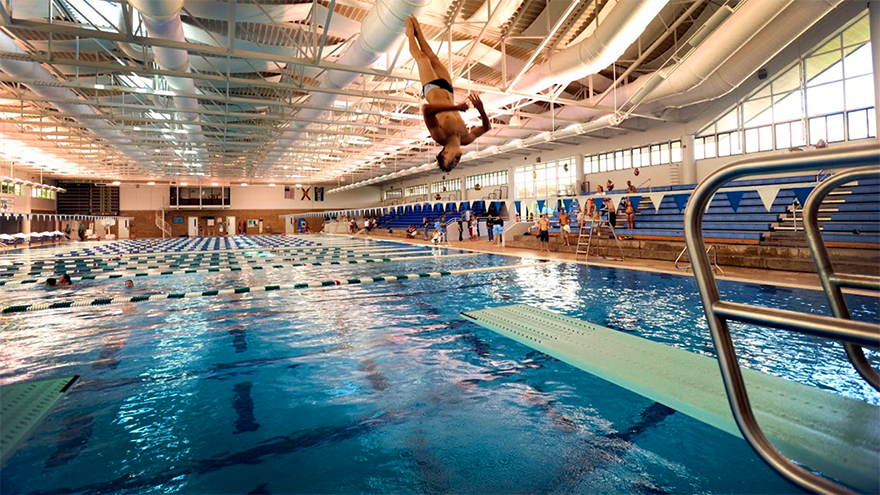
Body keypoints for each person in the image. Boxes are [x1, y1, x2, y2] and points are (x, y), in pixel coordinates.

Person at [406, 15, 490, 172]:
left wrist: (457, 108)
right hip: (448, 90)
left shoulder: (440, 137)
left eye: (451, 162)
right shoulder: (466, 138)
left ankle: (410, 33)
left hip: (432, 89)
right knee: (434, 58)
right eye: (455, 165)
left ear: (445, 152)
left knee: (422, 58)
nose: (456, 162)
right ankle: (419, 31)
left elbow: (426, 110)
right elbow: (486, 127)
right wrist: (481, 109)